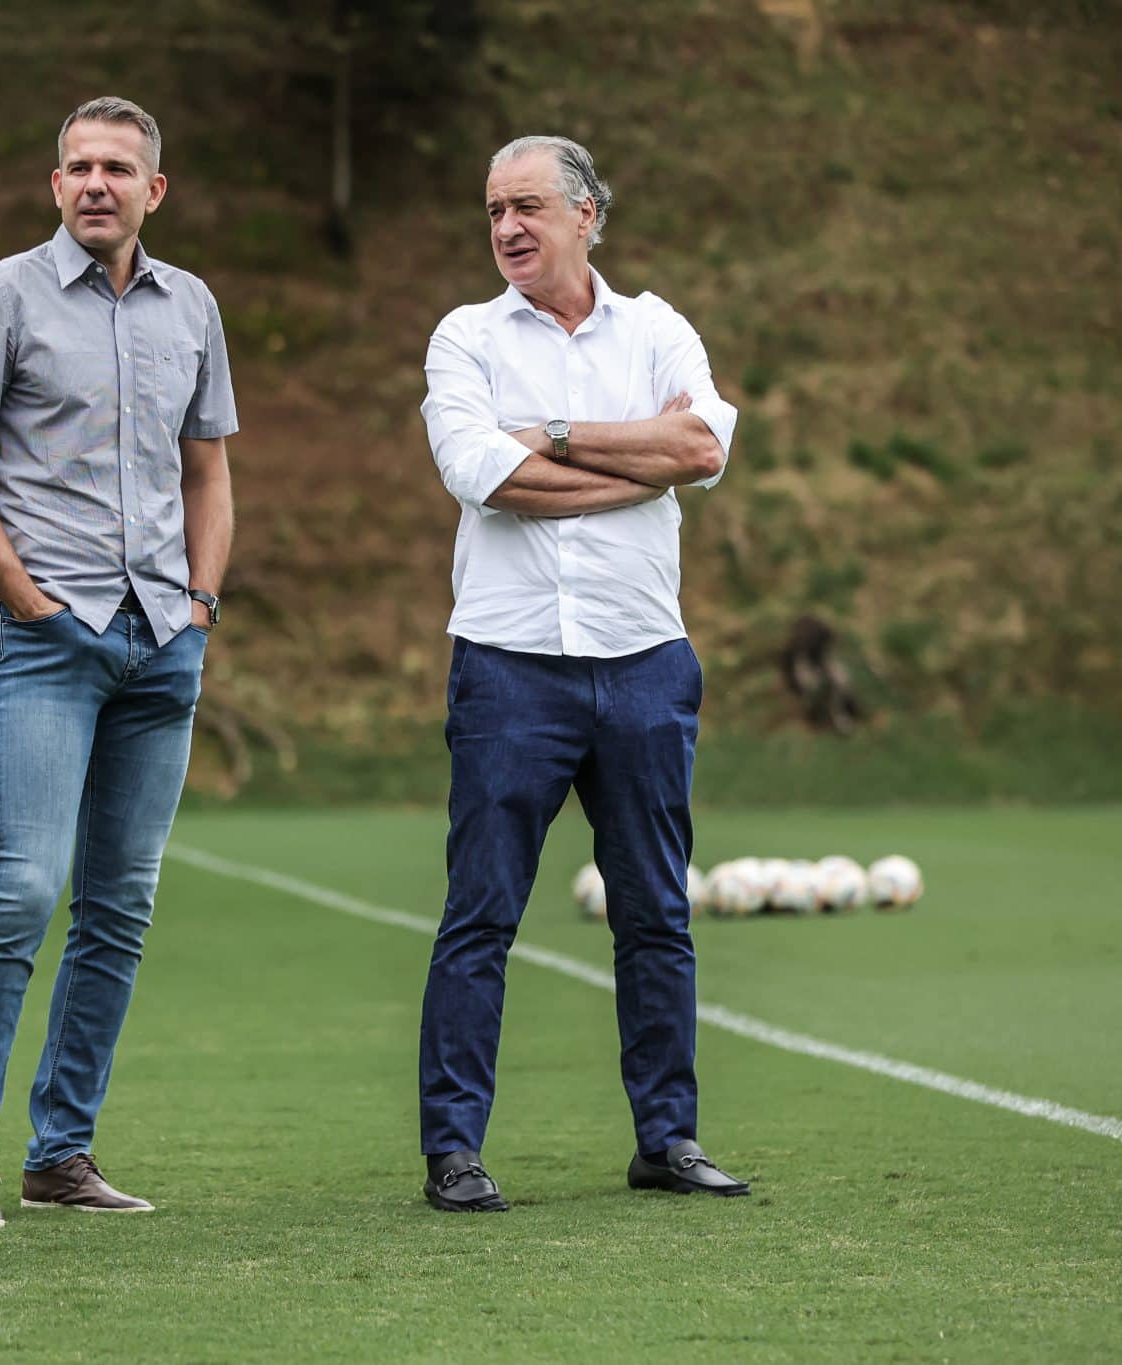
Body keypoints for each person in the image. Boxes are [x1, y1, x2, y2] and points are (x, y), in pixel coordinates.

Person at [0, 96, 237, 1227]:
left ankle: (62, 1153)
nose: (95, 183)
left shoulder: (190, 306)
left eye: (117, 168)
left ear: (154, 190)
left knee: (120, 906)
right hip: (43, 640)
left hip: (161, 644)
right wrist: (16, 593)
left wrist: (198, 606)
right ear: (53, 186)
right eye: (76, 167)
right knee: (18, 891)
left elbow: (206, 473)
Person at [417, 134, 747, 1212]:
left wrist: (556, 433)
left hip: (645, 660)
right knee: (481, 916)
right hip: (507, 669)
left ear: (585, 214)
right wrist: (629, 469)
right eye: (492, 210)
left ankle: (666, 1140)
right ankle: (453, 1152)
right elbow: (488, 478)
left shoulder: (655, 328)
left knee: (655, 912)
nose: (506, 227)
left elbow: (697, 451)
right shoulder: (463, 337)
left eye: (525, 206)